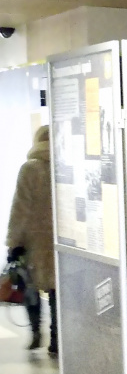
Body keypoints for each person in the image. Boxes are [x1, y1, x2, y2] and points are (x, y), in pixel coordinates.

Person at [6, 126, 56, 353]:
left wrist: (13, 242)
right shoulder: (62, 165)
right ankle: (57, 338)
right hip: (60, 241)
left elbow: (20, 208)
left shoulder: (29, 168)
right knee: (57, 290)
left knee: (30, 286)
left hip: (33, 240)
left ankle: (36, 332)